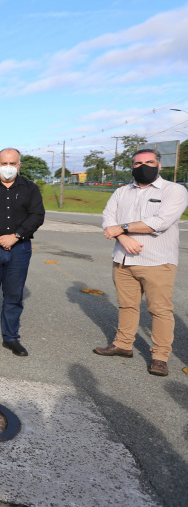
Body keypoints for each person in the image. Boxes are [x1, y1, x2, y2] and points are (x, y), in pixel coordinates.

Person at [94, 149, 188, 377]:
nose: (143, 166)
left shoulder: (174, 190)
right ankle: (123, 344)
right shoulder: (121, 192)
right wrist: (123, 237)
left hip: (157, 261)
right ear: (132, 166)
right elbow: (109, 218)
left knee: (160, 310)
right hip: (123, 259)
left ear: (159, 165)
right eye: (137, 163)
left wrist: (123, 227)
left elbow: (160, 221)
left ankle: (160, 356)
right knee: (127, 305)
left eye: (149, 162)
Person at [0, 147, 45, 356]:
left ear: (19, 165)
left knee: (14, 295)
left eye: (13, 163)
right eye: (4, 163)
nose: (8, 167)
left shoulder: (30, 188)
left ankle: (11, 337)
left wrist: (17, 236)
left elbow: (37, 215)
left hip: (20, 249)